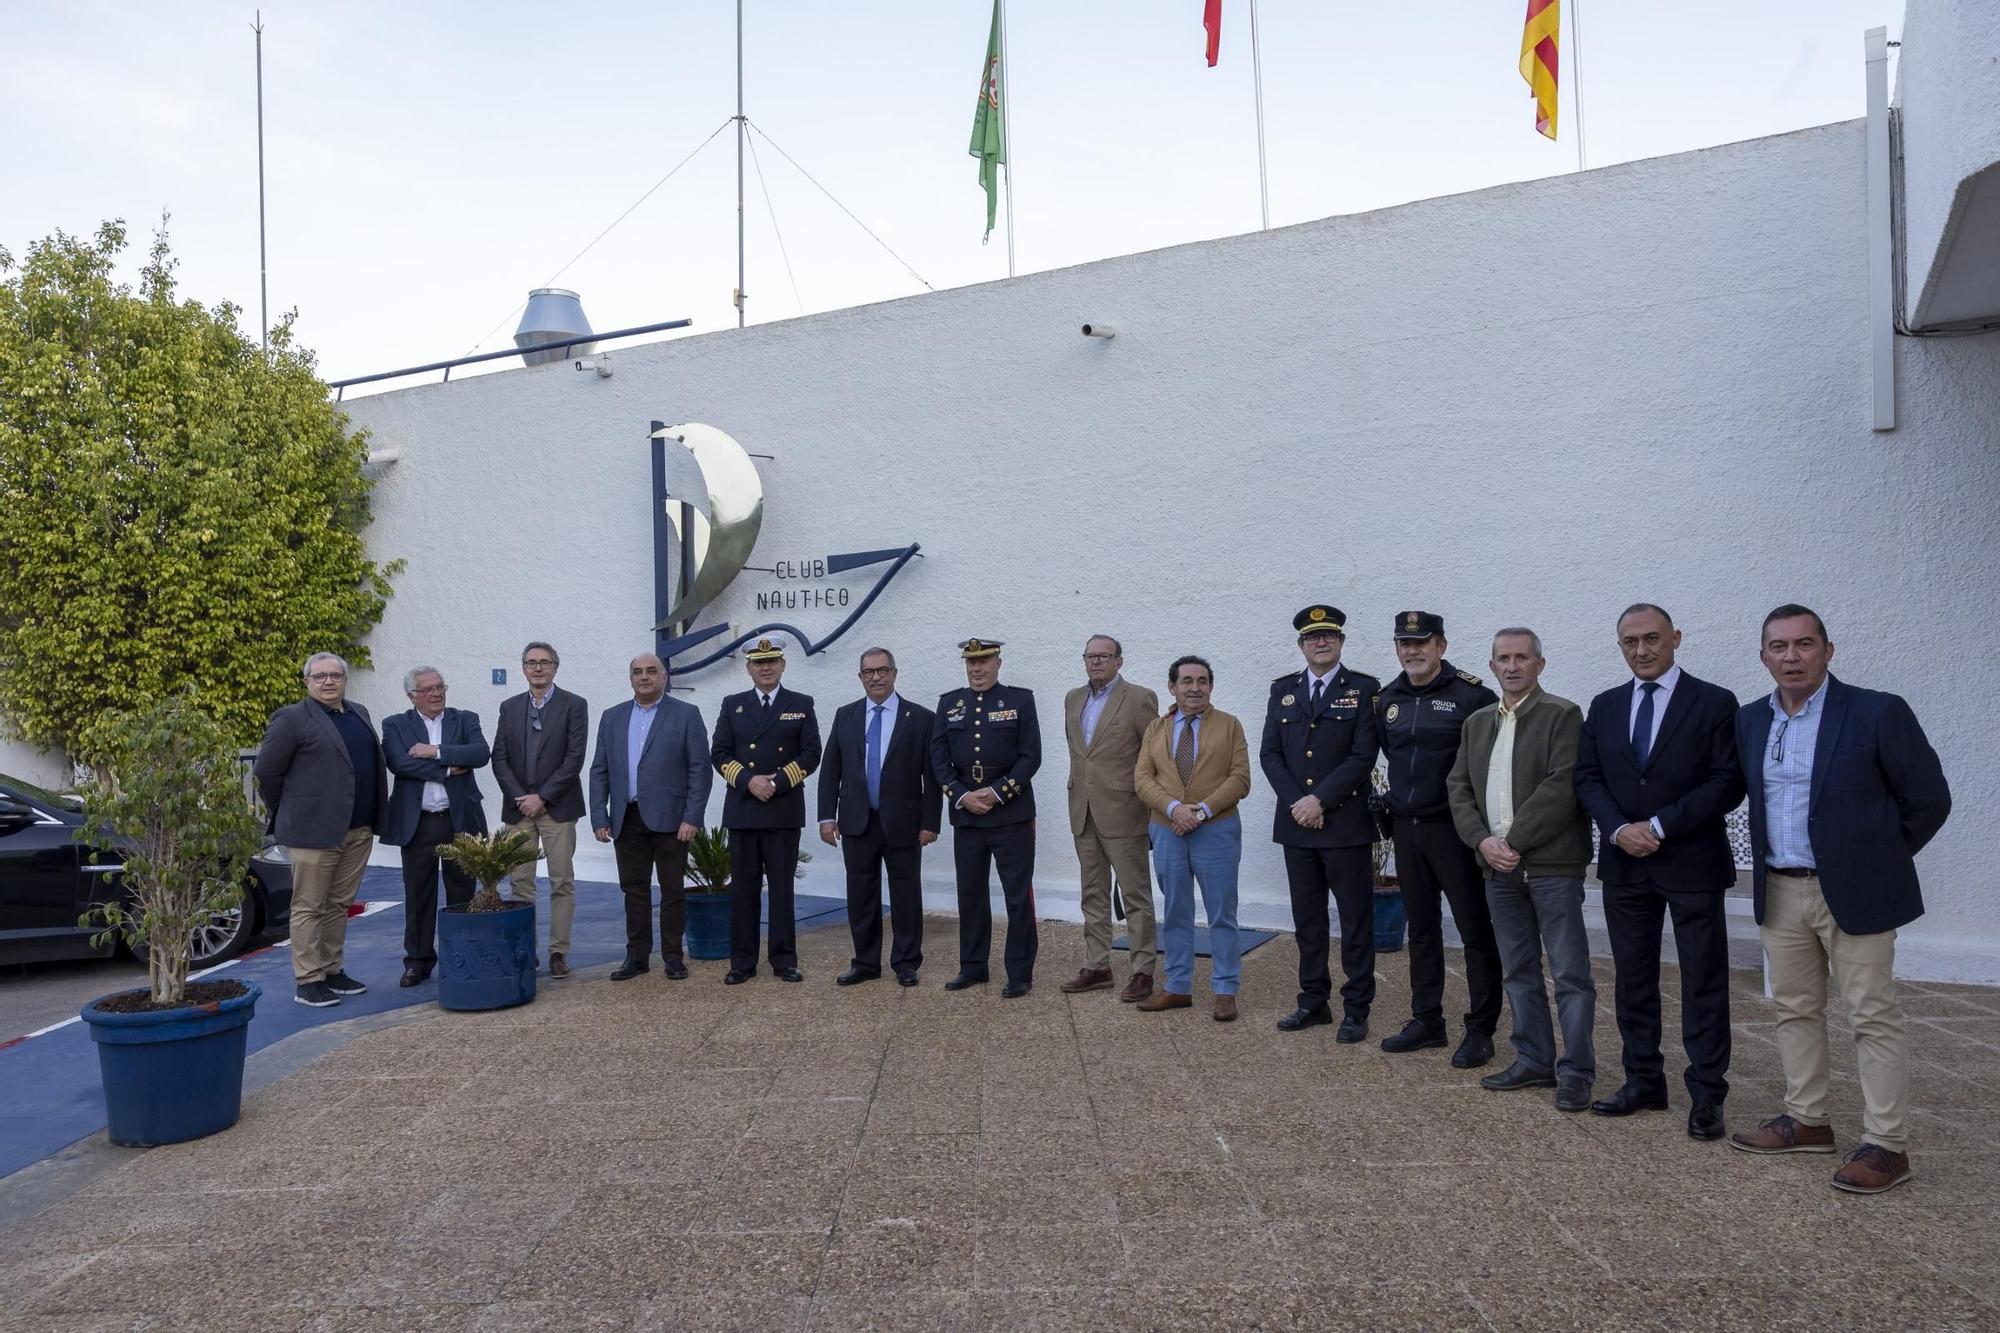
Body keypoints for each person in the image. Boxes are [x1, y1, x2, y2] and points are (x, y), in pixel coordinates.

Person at [1727, 604, 1951, 1194]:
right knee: (1794, 1009)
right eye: (1779, 647)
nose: (1792, 657)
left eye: (1804, 644)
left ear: (1828, 650)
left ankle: (1887, 1144)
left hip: (1857, 892)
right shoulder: (1752, 720)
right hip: (1779, 889)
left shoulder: (1876, 711)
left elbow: (1928, 799)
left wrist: (1876, 861)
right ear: (1764, 656)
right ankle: (1807, 1120)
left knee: (1872, 1016)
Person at [1573, 604, 1743, 1140]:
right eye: (1630, 642)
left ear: (1676, 638)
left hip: (1691, 861)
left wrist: (1662, 826)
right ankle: (1643, 1079)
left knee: (1703, 980)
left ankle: (1707, 1094)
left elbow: (1726, 782)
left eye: (1652, 639)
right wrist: (1620, 829)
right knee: (1633, 980)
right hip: (1626, 864)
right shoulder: (1605, 705)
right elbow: (1587, 777)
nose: (1641, 650)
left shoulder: (1714, 702)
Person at [1446, 628, 1597, 1112]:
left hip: (1552, 866)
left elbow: (1561, 785)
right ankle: (1533, 1058)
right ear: (1491, 667)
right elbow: (1459, 788)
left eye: (1521, 658)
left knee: (1571, 973)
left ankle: (1576, 1071)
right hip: (1498, 868)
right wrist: (1483, 842)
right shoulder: (1477, 723)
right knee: (1519, 970)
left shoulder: (1562, 715)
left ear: (1540, 664)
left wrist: (1511, 841)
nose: (1512, 666)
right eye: (1503, 659)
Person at [1374, 611, 1502, 1069]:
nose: (1412, 651)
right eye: (1404, 643)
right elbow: (1392, 757)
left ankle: (1481, 1028)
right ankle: (1427, 1019)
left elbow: (1488, 767)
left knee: (1474, 931)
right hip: (1408, 830)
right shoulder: (1387, 697)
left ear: (1441, 646)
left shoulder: (1473, 695)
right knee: (1422, 929)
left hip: (1456, 831)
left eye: (1421, 642)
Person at [1260, 605, 1381, 1039]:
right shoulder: (1283, 690)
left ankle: (1356, 1008)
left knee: (1355, 921)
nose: (1321, 641)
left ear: (1341, 642)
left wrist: (1320, 800)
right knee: (1308, 921)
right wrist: (1298, 803)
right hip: (1297, 825)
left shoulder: (1364, 689)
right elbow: (1270, 754)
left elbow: (1364, 755)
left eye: (1329, 635)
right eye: (1313, 637)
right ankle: (1313, 1002)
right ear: (1301, 645)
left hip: (1344, 825)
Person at [252, 652, 389, 1008]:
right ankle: (308, 979)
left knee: (338, 904)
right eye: (320, 676)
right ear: (307, 682)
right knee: (309, 905)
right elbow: (267, 773)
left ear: (345, 679)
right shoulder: (292, 719)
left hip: (358, 828)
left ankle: (331, 970)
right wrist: (290, 809)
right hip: (313, 831)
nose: (328, 682)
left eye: (335, 676)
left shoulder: (358, 713)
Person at [1133, 655, 1252, 1021]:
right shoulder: (1156, 728)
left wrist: (1199, 810)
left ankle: (1225, 988)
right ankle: (1177, 987)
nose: (1195, 687)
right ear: (1172, 687)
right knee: (1176, 911)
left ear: (1211, 686)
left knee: (1221, 912)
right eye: (1186, 681)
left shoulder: (1230, 725)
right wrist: (1173, 809)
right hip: (1168, 830)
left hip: (1215, 830)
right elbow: (1142, 778)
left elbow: (1240, 778)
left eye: (1202, 681)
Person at [817, 647, 941, 987]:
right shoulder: (846, 715)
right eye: (869, 671)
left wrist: (931, 822)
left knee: (906, 894)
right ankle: (866, 962)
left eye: (882, 670)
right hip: (857, 822)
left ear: (894, 673)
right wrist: (826, 817)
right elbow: (831, 770)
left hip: (904, 822)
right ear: (860, 677)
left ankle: (906, 962)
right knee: (861, 896)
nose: (876, 677)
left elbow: (931, 777)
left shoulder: (920, 718)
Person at [588, 653, 712, 981]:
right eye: (637, 672)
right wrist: (599, 815)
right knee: (634, 890)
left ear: (664, 677)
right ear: (630, 678)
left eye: (651, 671)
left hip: (672, 819)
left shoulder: (686, 714)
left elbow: (700, 769)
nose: (644, 677)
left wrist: (692, 817)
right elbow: (599, 770)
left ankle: (673, 956)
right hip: (626, 818)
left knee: (673, 890)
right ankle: (637, 957)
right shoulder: (612, 717)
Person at [930, 637, 1042, 997]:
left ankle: (1020, 971)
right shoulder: (950, 703)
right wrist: (961, 795)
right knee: (971, 894)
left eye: (984, 661)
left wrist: (996, 794)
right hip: (967, 816)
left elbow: (1030, 757)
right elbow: (938, 758)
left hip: (1010, 814)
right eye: (971, 662)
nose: (977, 668)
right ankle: (973, 966)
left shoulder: (1020, 700)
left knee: (1016, 895)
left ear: (998, 662)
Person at [711, 638, 822, 985]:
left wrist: (776, 782)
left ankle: (784, 959)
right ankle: (742, 962)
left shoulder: (801, 704)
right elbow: (720, 753)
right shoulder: (733, 705)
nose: (766, 667)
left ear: (783, 665)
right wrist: (748, 780)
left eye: (772, 661)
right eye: (759, 663)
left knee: (781, 889)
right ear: (748, 669)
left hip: (782, 809)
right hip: (744, 810)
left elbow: (811, 753)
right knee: (743, 889)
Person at [1060, 635, 1162, 1002]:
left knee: (1135, 896)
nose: (1096, 661)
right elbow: (1081, 756)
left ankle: (1142, 970)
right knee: (1093, 894)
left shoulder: (1139, 698)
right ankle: (1097, 965)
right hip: (1082, 810)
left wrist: (1154, 809)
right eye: (1090, 656)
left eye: (1104, 656)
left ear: (1120, 661)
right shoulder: (1073, 698)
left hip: (1124, 811)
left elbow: (1152, 757)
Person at [380, 666, 491, 988]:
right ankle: (418, 961)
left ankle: (462, 954)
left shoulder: (464, 718)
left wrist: (434, 752)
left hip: (460, 822)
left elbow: (480, 753)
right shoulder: (396, 724)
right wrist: (447, 769)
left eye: (440, 687)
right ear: (411, 695)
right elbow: (398, 762)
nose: (436, 693)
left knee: (462, 894)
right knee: (418, 896)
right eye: (427, 689)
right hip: (420, 824)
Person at [491, 641, 589, 978]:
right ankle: (525, 950)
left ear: (555, 667)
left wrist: (542, 798)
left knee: (562, 882)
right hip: (519, 810)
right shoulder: (509, 707)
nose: (538, 668)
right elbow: (499, 758)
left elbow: (574, 758)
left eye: (544, 662)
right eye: (531, 662)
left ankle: (558, 952)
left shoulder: (574, 705)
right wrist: (521, 797)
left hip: (557, 808)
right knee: (520, 884)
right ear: (523, 668)